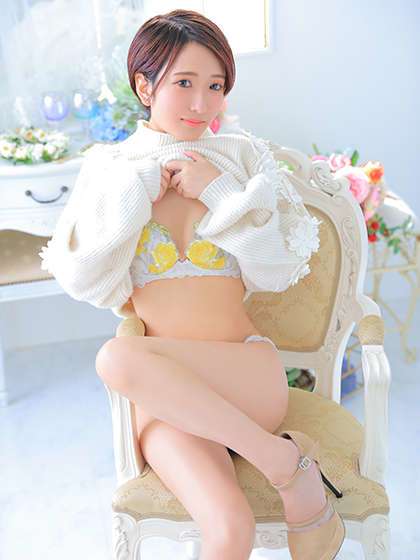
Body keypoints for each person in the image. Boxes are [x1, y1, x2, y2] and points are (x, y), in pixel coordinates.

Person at [39, 9, 344, 560]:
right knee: (228, 528)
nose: (202, 104)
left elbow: (276, 269)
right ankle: (284, 463)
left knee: (115, 359)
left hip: (247, 376)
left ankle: (279, 460)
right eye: (184, 83)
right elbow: (87, 281)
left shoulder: (243, 158)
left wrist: (220, 192)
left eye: (216, 86)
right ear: (145, 86)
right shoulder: (110, 169)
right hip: (164, 398)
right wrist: (133, 199)